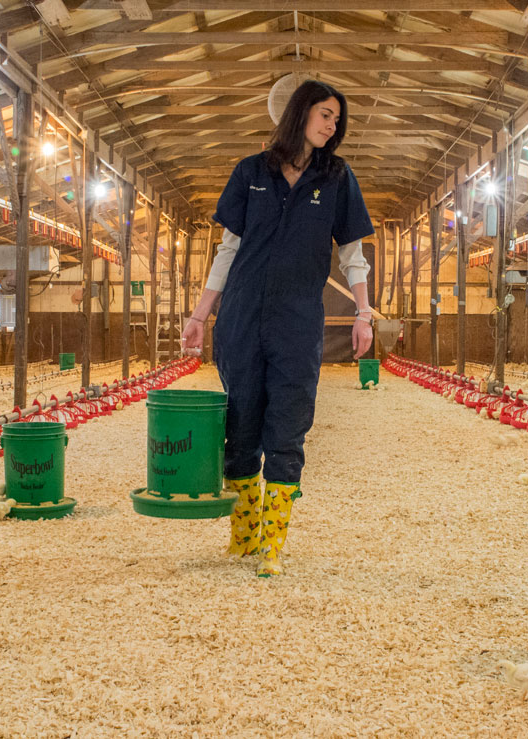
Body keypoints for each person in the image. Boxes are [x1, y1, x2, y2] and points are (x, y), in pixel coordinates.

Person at [181, 79, 375, 577]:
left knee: (288, 427)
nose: (333, 126)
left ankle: (272, 544)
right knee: (242, 426)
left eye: (337, 119)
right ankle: (243, 533)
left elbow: (353, 253)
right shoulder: (251, 172)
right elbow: (228, 250)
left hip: (296, 320)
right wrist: (200, 315)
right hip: (242, 316)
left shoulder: (336, 177)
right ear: (300, 112)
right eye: (326, 114)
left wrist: (364, 312)